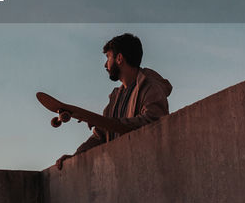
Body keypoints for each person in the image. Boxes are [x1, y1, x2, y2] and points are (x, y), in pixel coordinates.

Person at [54, 33, 172, 170]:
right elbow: (101, 136)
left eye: (108, 57)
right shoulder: (115, 97)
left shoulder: (151, 87)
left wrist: (112, 123)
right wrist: (76, 157)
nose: (105, 64)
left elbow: (154, 122)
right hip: (119, 172)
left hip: (145, 169)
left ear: (119, 58)